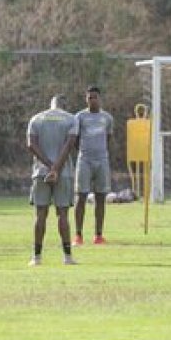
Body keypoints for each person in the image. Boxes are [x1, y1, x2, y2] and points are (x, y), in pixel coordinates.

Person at [27, 95, 79, 266]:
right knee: (62, 214)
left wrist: (48, 166)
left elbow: (31, 145)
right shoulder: (71, 119)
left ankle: (36, 257)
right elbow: (69, 145)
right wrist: (56, 169)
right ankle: (67, 257)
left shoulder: (36, 118)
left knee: (40, 214)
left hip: (40, 172)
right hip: (63, 173)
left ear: (50, 105)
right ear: (64, 105)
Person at [71, 86, 114, 246]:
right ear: (86, 99)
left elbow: (108, 138)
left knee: (101, 197)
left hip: (102, 160)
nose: (92, 100)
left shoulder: (107, 118)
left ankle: (98, 235)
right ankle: (78, 235)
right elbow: (74, 139)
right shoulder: (79, 117)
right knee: (81, 196)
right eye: (89, 98)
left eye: (95, 97)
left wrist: (100, 151)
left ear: (100, 99)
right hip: (85, 160)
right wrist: (84, 151)